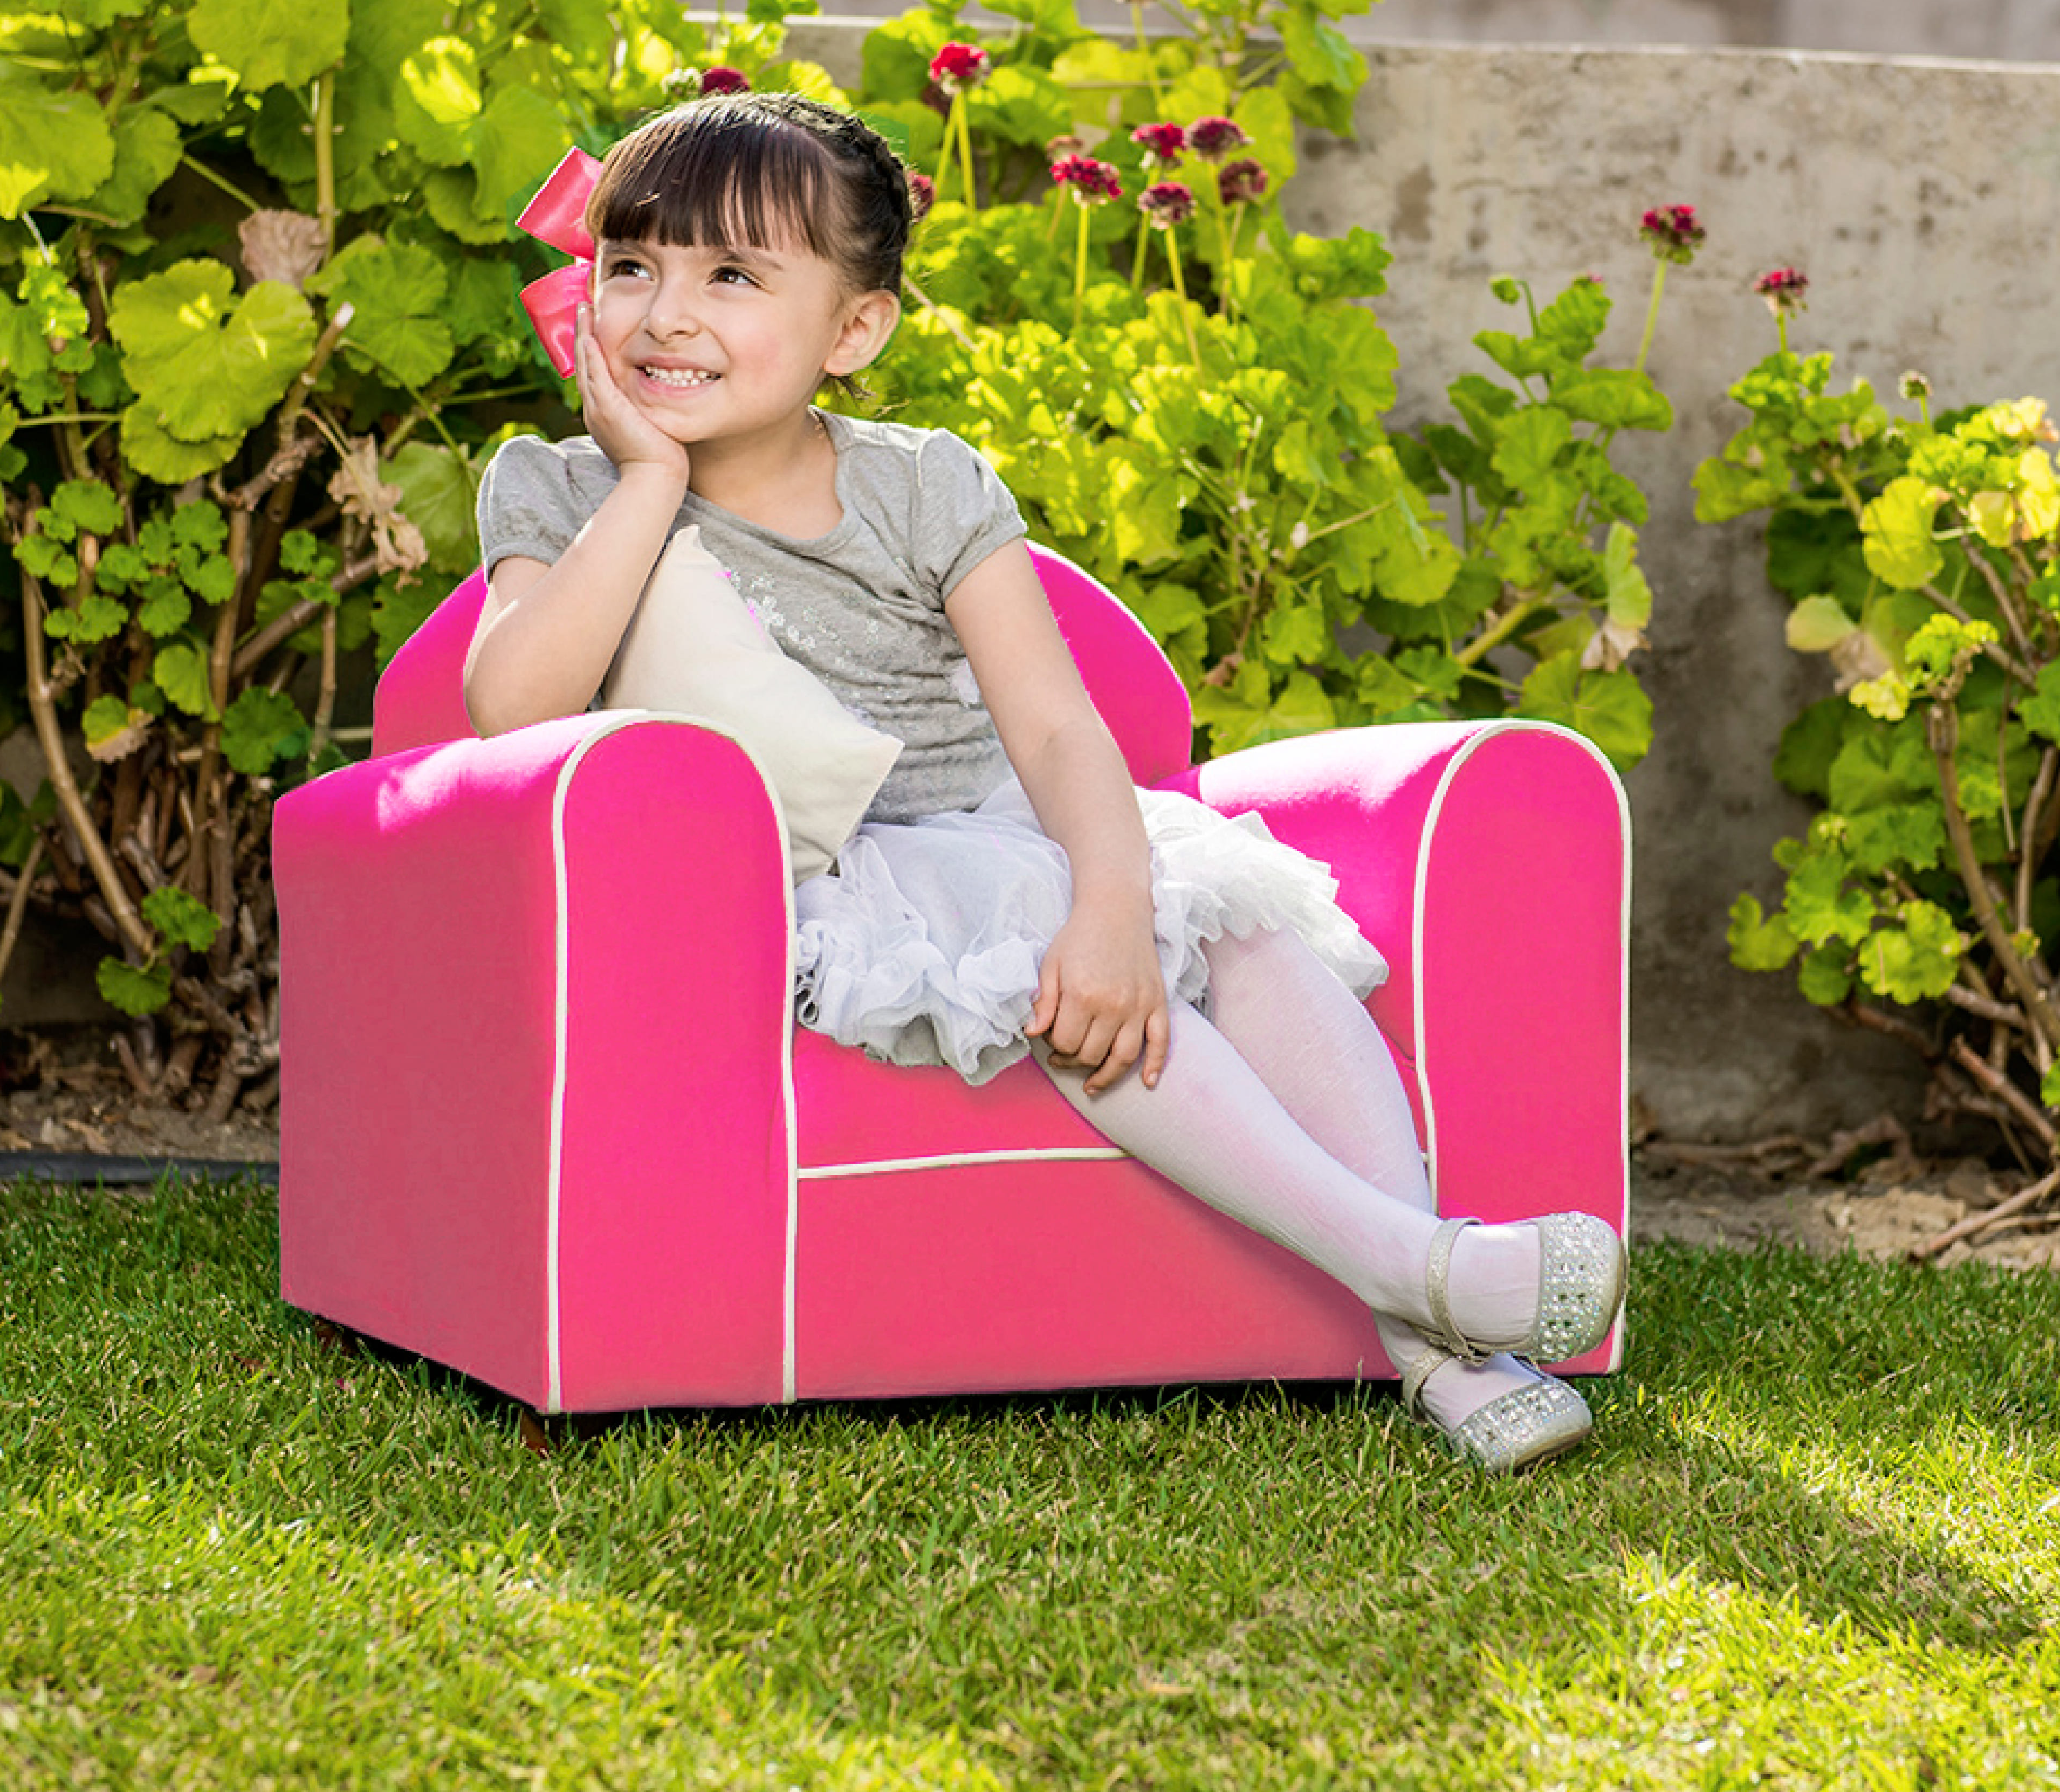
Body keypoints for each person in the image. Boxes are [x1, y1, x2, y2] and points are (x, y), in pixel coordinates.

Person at [465, 91, 1623, 1473]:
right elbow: (507, 707)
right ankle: (1429, 1276)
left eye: (730, 274)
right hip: (827, 871)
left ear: (852, 330)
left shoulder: (924, 485)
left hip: (1005, 818)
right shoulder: (551, 483)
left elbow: (1061, 733)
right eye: (631, 265)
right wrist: (646, 479)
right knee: (1033, 959)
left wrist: (1114, 900)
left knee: (1231, 920)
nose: (662, 313)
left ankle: (1436, 1344)